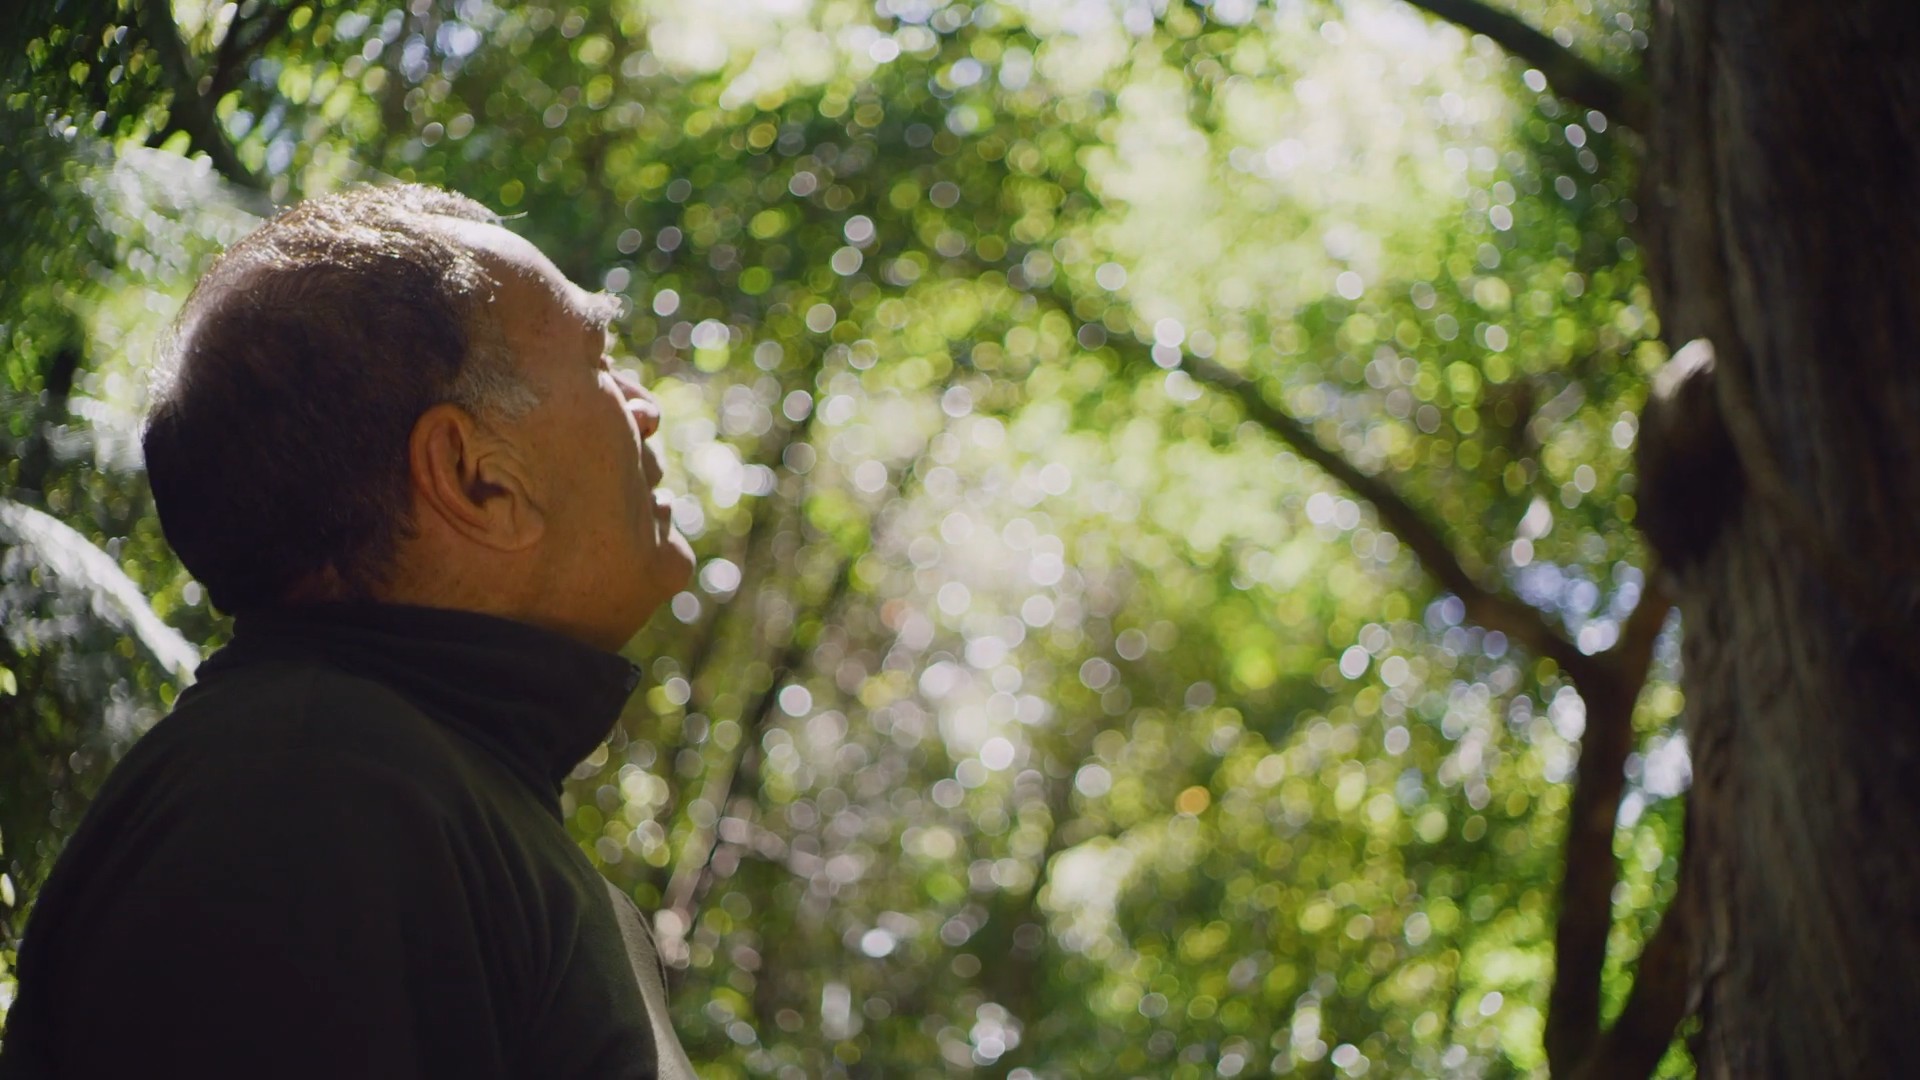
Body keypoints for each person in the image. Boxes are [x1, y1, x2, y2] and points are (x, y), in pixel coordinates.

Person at [0, 185, 699, 1078]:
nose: (642, 404)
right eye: (599, 359)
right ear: (474, 477)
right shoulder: (316, 791)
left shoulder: (405, 786)